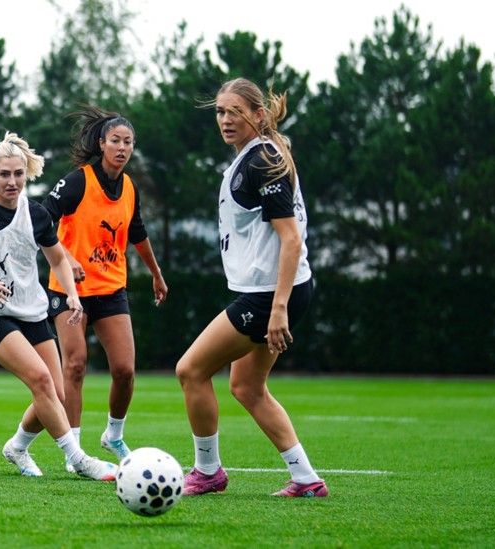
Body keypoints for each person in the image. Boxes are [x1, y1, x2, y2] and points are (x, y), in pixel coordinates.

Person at [0, 132, 118, 481]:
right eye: (4, 174)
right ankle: (79, 459)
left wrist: (73, 294)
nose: (12, 181)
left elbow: (58, 258)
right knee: (43, 380)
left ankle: (16, 447)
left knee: (55, 394)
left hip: (31, 311)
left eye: (18, 174)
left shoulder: (37, 214)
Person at [175, 78, 326, 498]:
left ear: (258, 115)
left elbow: (291, 239)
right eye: (220, 112)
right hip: (279, 290)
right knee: (246, 386)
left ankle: (207, 472)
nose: (225, 119)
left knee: (190, 370)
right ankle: (306, 479)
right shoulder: (257, 155)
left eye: (234, 112)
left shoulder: (261, 160)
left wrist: (278, 309)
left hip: (270, 295)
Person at [41, 105, 168, 469]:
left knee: (126, 370)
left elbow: (138, 234)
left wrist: (156, 274)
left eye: (128, 142)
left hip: (112, 288)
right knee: (76, 365)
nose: (122, 147)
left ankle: (113, 435)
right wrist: (67, 258)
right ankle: (76, 453)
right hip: (68, 291)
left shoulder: (129, 187)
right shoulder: (78, 180)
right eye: (116, 140)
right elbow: (41, 220)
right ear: (102, 143)